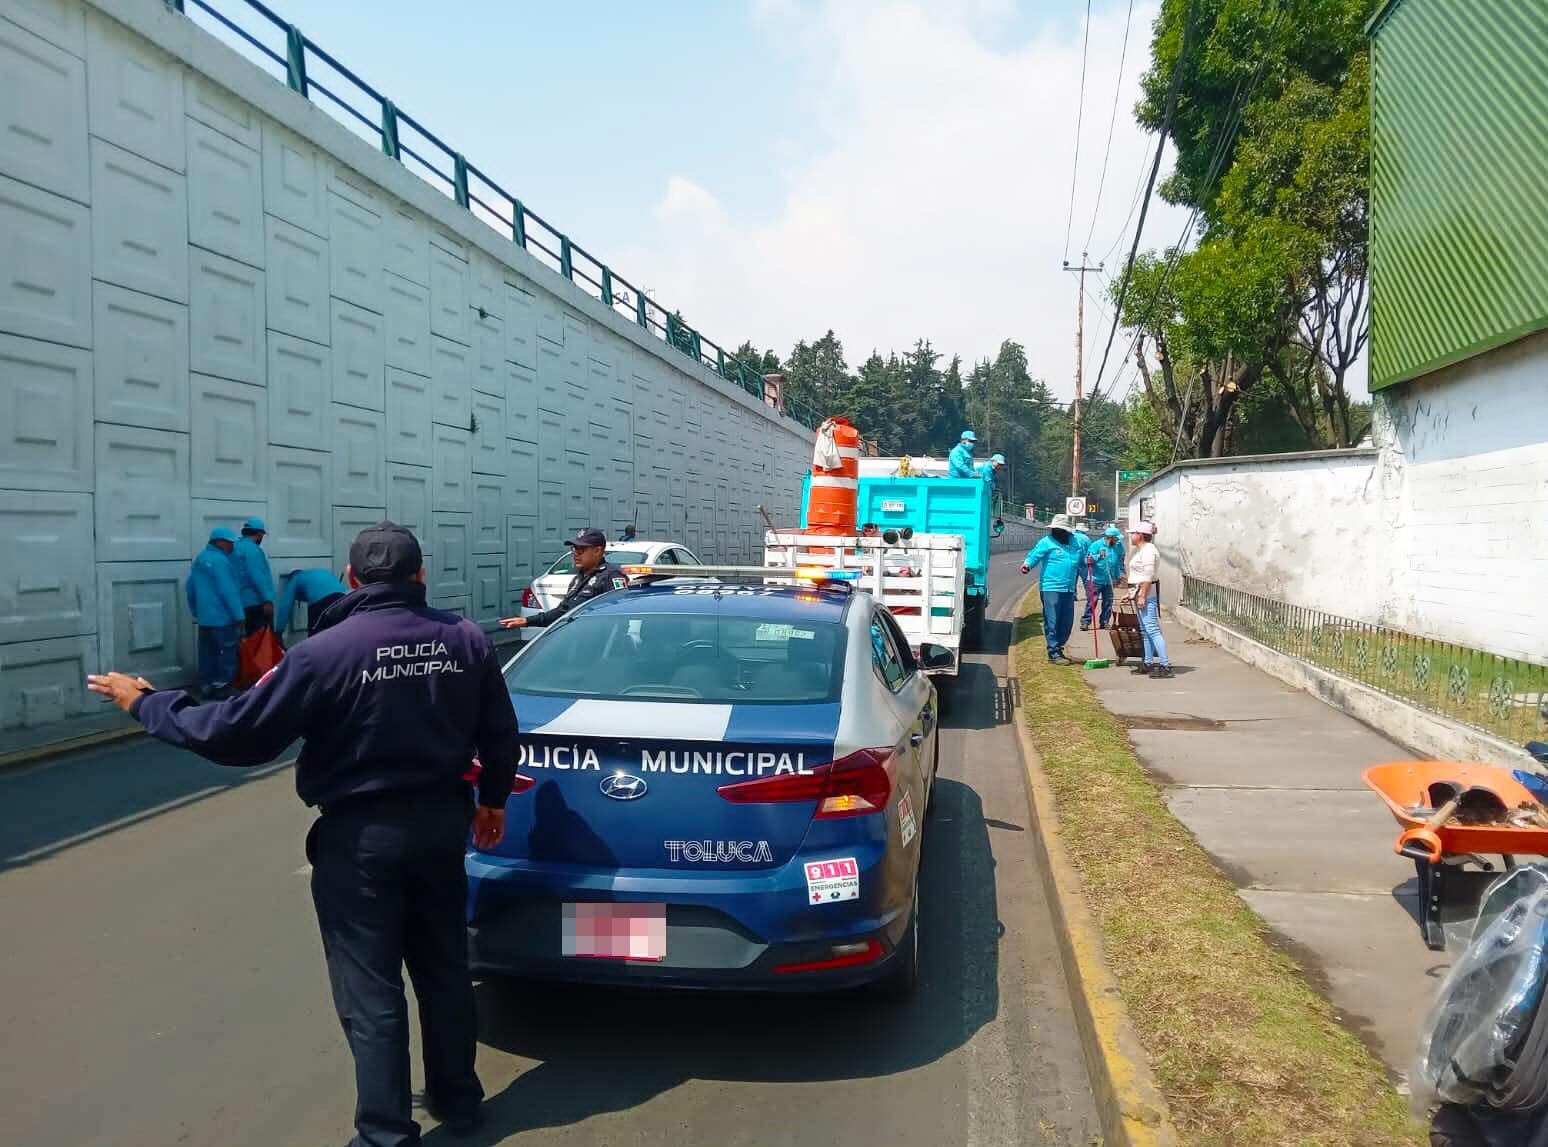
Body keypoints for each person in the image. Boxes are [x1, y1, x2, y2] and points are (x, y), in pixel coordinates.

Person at [88, 521, 519, 1145]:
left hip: (361, 839)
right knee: (445, 971)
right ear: (420, 576)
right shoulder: (466, 639)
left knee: (371, 990)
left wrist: (148, 703)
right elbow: (499, 731)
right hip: (440, 825)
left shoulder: (325, 653)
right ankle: (459, 1100)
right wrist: (494, 801)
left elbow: (237, 732)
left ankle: (385, 1133)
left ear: (349, 579)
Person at [499, 527, 624, 630]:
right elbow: (563, 611)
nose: (575, 554)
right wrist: (527, 621)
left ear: (597, 551)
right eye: (574, 549)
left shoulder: (612, 576)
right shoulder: (578, 578)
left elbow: (621, 617)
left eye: (582, 550)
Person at [185, 526, 245, 700]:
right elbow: (229, 591)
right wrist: (239, 616)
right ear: (219, 542)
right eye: (229, 543)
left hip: (205, 619)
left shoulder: (200, 559)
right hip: (223, 618)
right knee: (227, 652)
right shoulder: (221, 561)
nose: (232, 546)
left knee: (207, 652)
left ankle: (206, 686)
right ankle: (223, 687)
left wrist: (196, 610)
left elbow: (190, 588)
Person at [1020, 514, 1087, 663]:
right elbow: (1034, 555)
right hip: (1051, 587)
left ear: (1068, 531)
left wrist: (1090, 561)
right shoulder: (1046, 542)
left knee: (1067, 622)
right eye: (1056, 529)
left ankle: (1059, 647)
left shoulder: (1075, 543)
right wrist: (1027, 565)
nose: (1058, 532)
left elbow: (1082, 561)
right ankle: (1053, 652)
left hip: (1069, 588)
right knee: (1053, 620)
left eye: (1062, 530)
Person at [1126, 520, 1173, 678]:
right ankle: (1147, 662)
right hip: (1141, 593)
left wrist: (1142, 596)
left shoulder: (1148, 551)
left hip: (1146, 595)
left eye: (1133, 533)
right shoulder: (1142, 550)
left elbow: (1147, 576)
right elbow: (1140, 576)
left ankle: (1165, 665)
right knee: (1145, 631)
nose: (1131, 536)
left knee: (1152, 630)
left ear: (1140, 535)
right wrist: (1133, 592)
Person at [231, 517, 276, 635]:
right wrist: (267, 600)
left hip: (240, 604)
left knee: (247, 642)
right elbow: (258, 576)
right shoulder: (253, 550)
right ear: (259, 533)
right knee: (262, 643)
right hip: (256, 603)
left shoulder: (234, 547)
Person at [277, 567, 349, 636]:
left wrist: (279, 631)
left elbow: (285, 605)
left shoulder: (295, 578)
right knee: (337, 631)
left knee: (315, 635)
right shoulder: (316, 573)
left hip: (322, 601)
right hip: (342, 599)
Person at [1083, 526, 1125, 630]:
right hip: (1095, 579)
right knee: (1092, 601)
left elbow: (1119, 561)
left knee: (1108, 602)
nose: (1117, 541)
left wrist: (1118, 576)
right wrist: (1098, 556)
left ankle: (1104, 621)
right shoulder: (1096, 545)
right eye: (1116, 539)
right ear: (1109, 537)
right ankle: (1086, 621)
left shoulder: (1118, 546)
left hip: (1109, 580)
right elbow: (1087, 560)